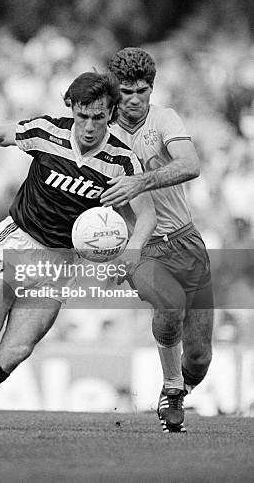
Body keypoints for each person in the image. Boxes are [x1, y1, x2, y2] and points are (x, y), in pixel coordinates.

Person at [0, 71, 157, 429]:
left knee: (18, 350)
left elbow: (146, 215)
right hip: (19, 243)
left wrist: (131, 253)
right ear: (71, 108)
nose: (89, 126)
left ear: (111, 113)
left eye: (99, 117)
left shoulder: (121, 161)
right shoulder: (47, 132)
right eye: (83, 116)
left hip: (62, 262)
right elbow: (1, 135)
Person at [101, 47, 213, 433]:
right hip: (142, 247)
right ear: (115, 90)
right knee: (170, 304)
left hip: (187, 242)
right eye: (126, 91)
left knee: (199, 357)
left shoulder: (164, 118)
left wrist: (142, 179)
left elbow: (191, 164)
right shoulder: (102, 131)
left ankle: (180, 384)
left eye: (142, 91)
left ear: (152, 89)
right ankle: (171, 387)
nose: (134, 100)